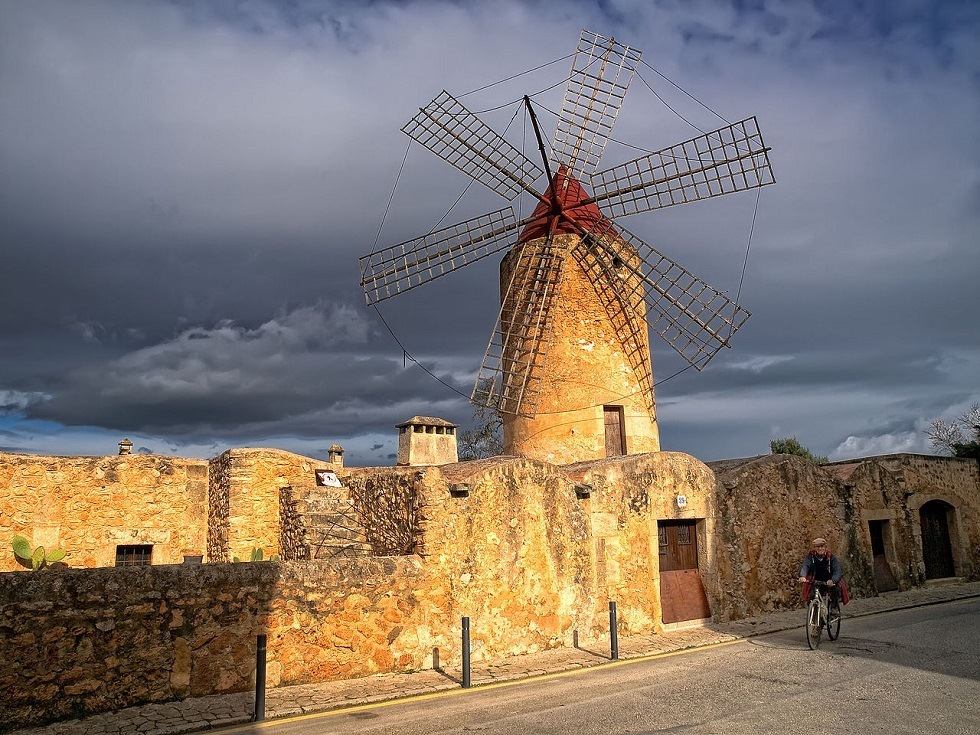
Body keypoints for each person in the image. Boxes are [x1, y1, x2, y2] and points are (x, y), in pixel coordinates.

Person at [799, 537, 843, 604]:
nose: (820, 549)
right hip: (816, 581)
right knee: (811, 597)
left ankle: (834, 609)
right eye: (817, 547)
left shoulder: (831, 558)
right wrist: (802, 576)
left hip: (829, 581)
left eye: (822, 546)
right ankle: (813, 611)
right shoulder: (811, 557)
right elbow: (805, 566)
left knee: (835, 590)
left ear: (825, 547)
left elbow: (837, 570)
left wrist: (833, 580)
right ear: (814, 548)